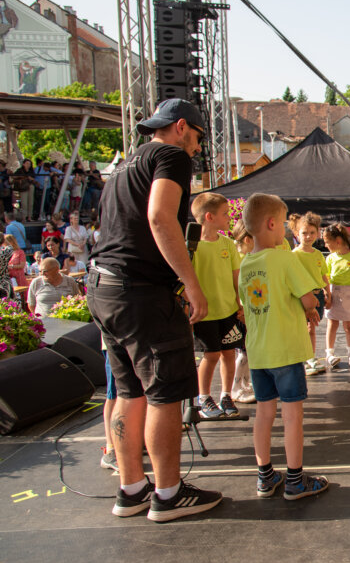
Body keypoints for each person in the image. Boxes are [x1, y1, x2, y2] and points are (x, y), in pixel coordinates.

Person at [87, 97, 222, 522]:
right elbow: (161, 218)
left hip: (104, 288)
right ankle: (168, 493)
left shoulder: (126, 164)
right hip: (141, 292)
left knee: (130, 392)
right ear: (181, 127)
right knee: (164, 393)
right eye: (198, 138)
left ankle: (131, 489)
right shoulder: (170, 154)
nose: (197, 149)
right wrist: (191, 283)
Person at [239, 193, 329, 501]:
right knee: (292, 416)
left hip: (258, 352)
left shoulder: (246, 264)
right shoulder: (284, 258)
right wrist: (310, 308)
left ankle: (265, 476)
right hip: (286, 351)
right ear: (272, 223)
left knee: (264, 414)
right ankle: (295, 479)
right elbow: (308, 297)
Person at [190, 192, 245, 418]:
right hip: (204, 314)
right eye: (225, 213)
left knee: (228, 354)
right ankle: (204, 398)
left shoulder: (228, 244)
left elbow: (236, 277)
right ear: (209, 217)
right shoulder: (191, 247)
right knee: (210, 355)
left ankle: (226, 395)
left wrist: (239, 304)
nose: (229, 217)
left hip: (228, 311)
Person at [293, 212, 330, 376]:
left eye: (312, 233)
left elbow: (323, 275)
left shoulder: (318, 254)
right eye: (304, 233)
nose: (308, 236)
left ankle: (310, 357)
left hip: (318, 296)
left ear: (318, 233)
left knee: (312, 328)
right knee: (305, 328)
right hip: (301, 297)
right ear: (297, 233)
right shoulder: (294, 255)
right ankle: (304, 358)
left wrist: (328, 292)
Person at [323, 222, 350, 369]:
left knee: (349, 325)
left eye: (327, 242)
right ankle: (329, 354)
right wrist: (327, 293)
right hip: (334, 292)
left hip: (349, 293)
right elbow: (326, 276)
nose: (326, 245)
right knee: (332, 323)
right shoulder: (330, 258)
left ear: (338, 241)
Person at [230, 221, 256, 404]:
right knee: (243, 351)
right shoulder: (240, 259)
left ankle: (245, 384)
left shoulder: (247, 257)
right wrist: (241, 308)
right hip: (242, 311)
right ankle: (236, 388)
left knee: (248, 351)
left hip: (249, 309)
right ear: (248, 239)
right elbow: (238, 287)